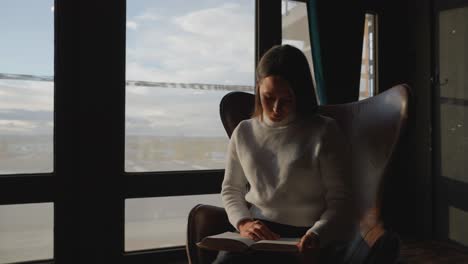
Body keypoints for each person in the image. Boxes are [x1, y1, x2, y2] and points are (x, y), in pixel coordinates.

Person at [213, 44, 356, 264]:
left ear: (301, 94)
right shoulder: (244, 131)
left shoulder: (324, 131)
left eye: (286, 99)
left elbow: (341, 200)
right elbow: (231, 189)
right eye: (268, 98)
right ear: (259, 88)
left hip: (309, 235)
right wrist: (243, 223)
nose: (276, 108)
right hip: (258, 232)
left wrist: (318, 234)